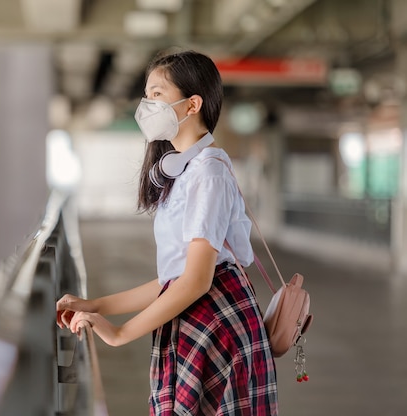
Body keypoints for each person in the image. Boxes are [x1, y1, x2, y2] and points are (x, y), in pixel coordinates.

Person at [56, 50, 278, 416]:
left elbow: (196, 282)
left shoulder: (208, 172)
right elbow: (174, 280)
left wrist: (120, 333)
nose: (147, 105)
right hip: (198, 320)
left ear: (192, 104)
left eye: (157, 94)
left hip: (214, 325)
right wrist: (95, 305)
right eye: (147, 95)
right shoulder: (187, 170)